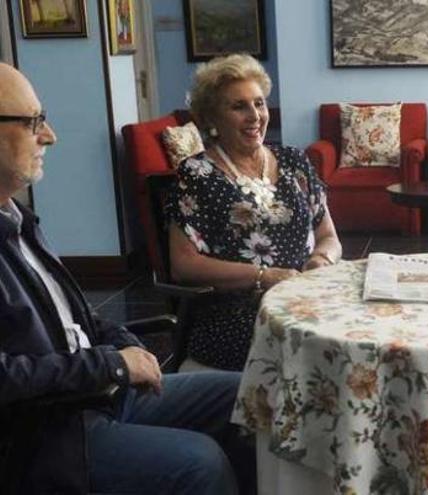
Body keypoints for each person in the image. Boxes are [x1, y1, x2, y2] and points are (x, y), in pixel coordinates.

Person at [0, 64, 253, 494]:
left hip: (95, 392)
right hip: (47, 432)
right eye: (34, 122)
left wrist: (126, 345)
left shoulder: (17, 217)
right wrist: (114, 364)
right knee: (201, 463)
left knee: (246, 399)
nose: (50, 136)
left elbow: (76, 320)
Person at [167, 54, 342, 371]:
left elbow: (328, 236)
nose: (255, 116)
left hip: (304, 301)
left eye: (259, 104)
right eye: (238, 107)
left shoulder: (293, 160)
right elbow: (183, 264)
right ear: (211, 119)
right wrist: (264, 277)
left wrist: (321, 260)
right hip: (239, 313)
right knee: (326, 357)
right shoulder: (196, 174)